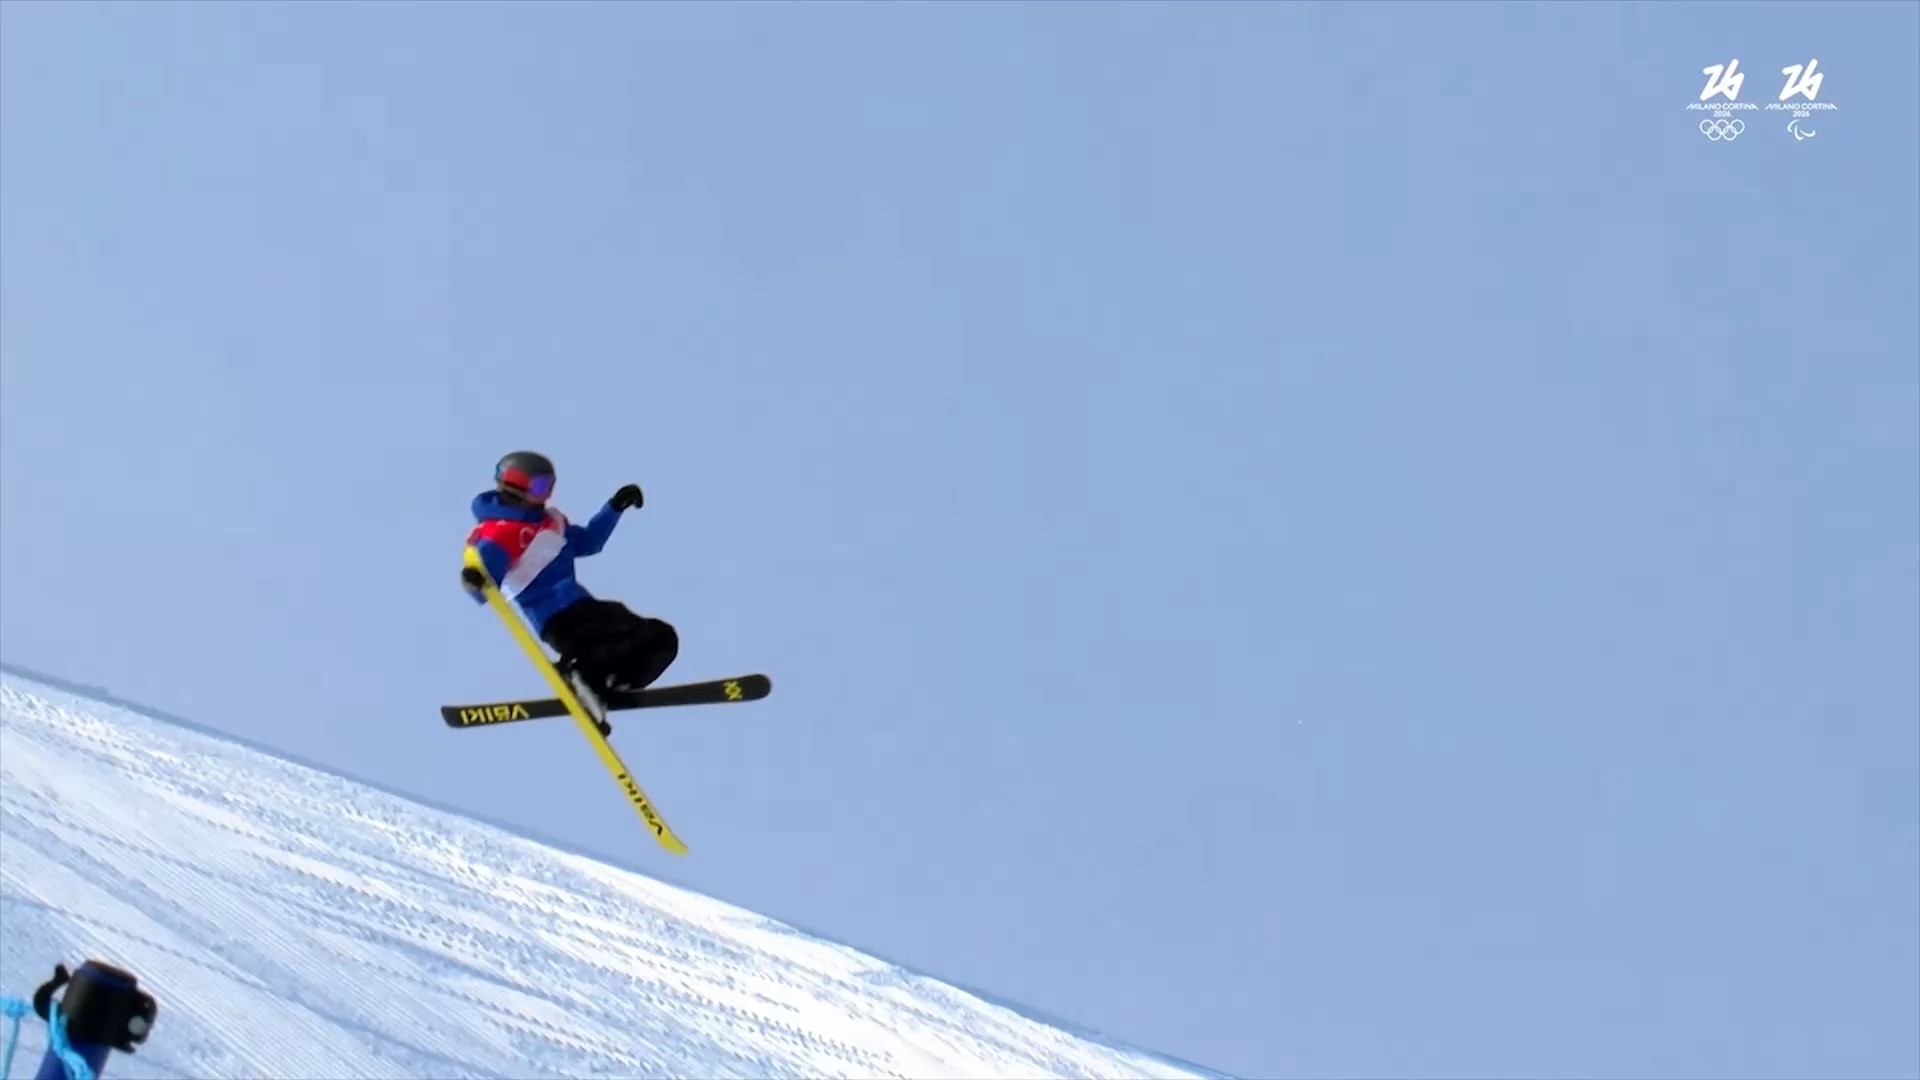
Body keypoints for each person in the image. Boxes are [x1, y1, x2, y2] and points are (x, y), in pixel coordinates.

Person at [460, 450, 679, 729]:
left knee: (660, 638)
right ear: (516, 484)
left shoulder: (551, 522)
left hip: (583, 607)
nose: (547, 495)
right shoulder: (501, 534)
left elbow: (588, 542)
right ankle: (585, 675)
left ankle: (607, 683)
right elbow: (483, 584)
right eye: (541, 487)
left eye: (549, 486)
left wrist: (614, 507)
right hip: (558, 620)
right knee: (619, 633)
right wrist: (475, 579)